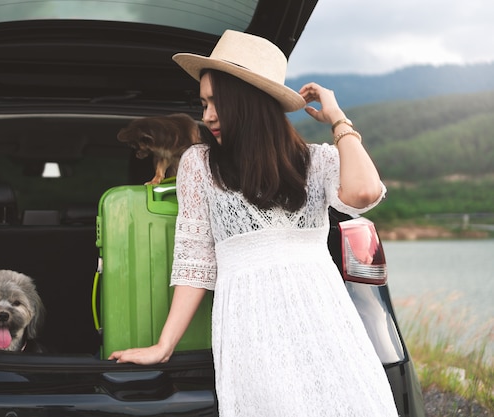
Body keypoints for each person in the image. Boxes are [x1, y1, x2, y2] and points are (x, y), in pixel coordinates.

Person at [109, 30, 399, 417]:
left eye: (216, 103)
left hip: (324, 321)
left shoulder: (317, 161)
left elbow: (364, 193)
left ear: (250, 103)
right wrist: (165, 345)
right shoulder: (199, 165)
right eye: (204, 103)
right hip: (250, 326)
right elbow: (196, 260)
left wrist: (338, 119)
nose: (207, 116)